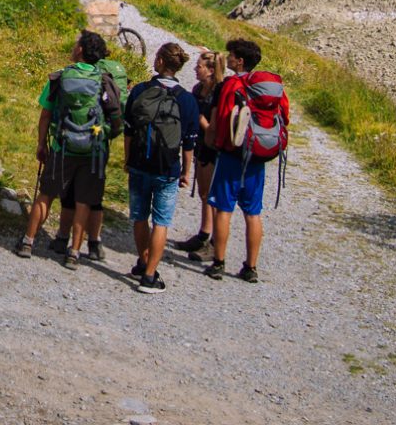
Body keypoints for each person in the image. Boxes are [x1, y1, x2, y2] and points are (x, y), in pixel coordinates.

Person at [13, 30, 123, 268]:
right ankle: (73, 253)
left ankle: (28, 241)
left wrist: (42, 144)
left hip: (62, 147)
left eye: (76, 44)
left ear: (81, 50)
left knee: (46, 195)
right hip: (93, 152)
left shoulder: (60, 77)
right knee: (84, 202)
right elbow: (117, 118)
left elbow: (45, 114)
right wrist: (105, 137)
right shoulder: (105, 80)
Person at [204, 37, 287, 282]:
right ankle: (250, 267)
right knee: (253, 213)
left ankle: (218, 262)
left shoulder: (231, 85)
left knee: (223, 209)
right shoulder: (267, 88)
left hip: (232, 155)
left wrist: (212, 143)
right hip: (257, 156)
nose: (228, 58)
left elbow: (221, 119)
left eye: (231, 55)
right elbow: (284, 116)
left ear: (239, 61)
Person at [123, 42, 201, 294]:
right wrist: (186, 172)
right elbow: (188, 143)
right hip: (168, 168)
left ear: (159, 62)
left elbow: (128, 131)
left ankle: (143, 261)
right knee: (161, 222)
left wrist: (127, 159)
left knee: (139, 217)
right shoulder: (187, 100)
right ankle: (149, 276)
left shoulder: (140, 90)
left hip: (138, 163)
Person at [49, 48, 133, 261]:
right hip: (98, 144)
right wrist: (108, 134)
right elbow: (117, 112)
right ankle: (94, 243)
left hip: (71, 141)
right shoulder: (112, 73)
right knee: (93, 197)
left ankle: (62, 238)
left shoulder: (79, 74)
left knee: (69, 194)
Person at [174, 49, 225, 257]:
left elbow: (214, 127)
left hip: (215, 148)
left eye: (199, 66)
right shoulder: (198, 89)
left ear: (211, 70)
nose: (195, 69)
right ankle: (204, 233)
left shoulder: (220, 92)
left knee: (213, 195)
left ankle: (214, 243)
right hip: (202, 145)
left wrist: (199, 118)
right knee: (204, 193)